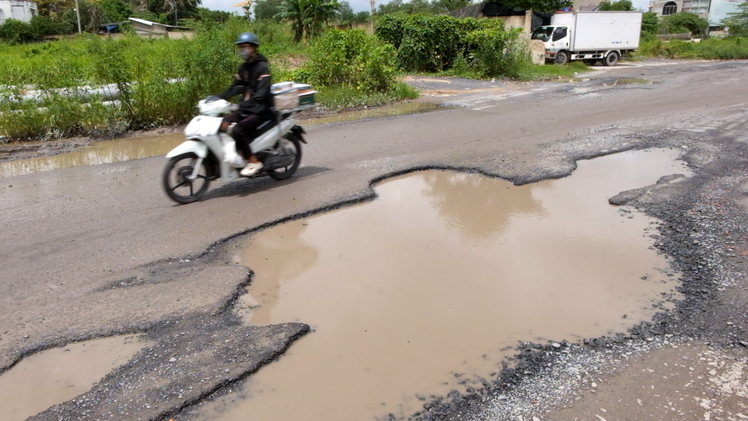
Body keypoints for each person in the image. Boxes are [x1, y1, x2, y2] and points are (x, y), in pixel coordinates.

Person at [218, 32, 274, 177]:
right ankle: (234, 155)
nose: (242, 50)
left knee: (238, 130)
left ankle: (253, 160)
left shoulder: (262, 67)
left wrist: (242, 105)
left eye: (245, 47)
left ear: (254, 48)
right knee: (223, 123)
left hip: (259, 110)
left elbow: (261, 94)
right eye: (240, 47)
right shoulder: (243, 68)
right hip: (246, 108)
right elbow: (235, 87)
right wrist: (217, 98)